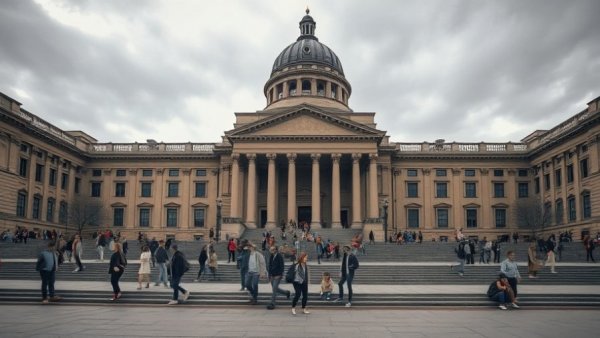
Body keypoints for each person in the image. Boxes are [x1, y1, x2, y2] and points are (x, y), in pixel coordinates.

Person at [266, 246, 290, 310]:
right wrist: (269, 275)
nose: (271, 250)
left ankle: (272, 304)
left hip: (277, 276)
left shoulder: (279, 256)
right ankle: (286, 292)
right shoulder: (271, 256)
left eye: (272, 249)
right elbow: (270, 266)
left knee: (274, 289)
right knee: (275, 288)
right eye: (270, 249)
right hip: (272, 275)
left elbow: (282, 266)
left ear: (275, 250)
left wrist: (280, 275)